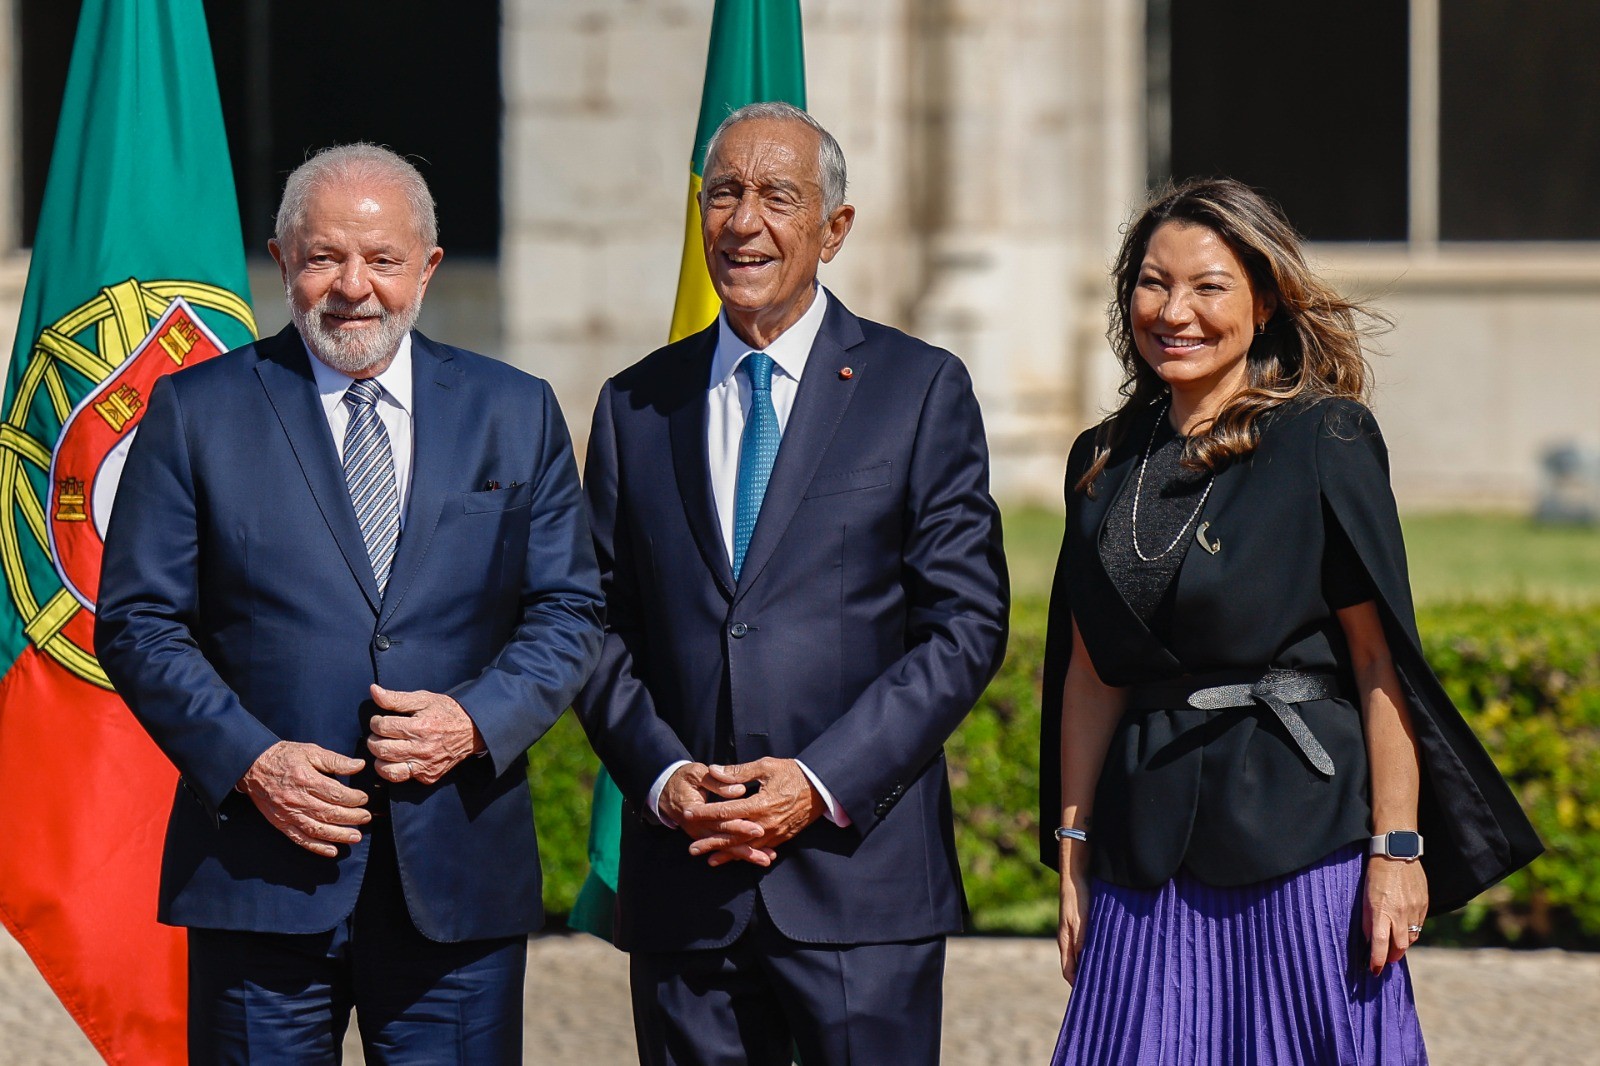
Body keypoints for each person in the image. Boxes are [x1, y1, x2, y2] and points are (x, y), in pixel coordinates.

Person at [95, 144, 604, 1064]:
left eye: (382, 260)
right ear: (282, 260)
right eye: (325, 257)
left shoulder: (513, 409)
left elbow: (569, 610)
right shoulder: (195, 411)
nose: (354, 288)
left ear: (429, 267)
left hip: (454, 874)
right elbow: (138, 621)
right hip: (260, 875)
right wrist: (251, 761)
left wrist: (473, 721)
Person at [1038, 177, 1542, 1064]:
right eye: (1153, 283)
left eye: (1209, 286)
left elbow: (1380, 664)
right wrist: (1073, 854)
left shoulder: (1324, 437)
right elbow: (1089, 673)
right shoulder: (1104, 460)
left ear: (1264, 300)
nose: (1175, 311)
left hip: (1304, 841)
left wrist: (1396, 850)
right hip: (1141, 843)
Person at [575, 101, 1009, 1065]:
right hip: (686, 884)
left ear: (834, 229)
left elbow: (966, 625)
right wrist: (663, 777)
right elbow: (592, 622)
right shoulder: (637, 403)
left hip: (858, 886)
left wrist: (818, 784)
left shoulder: (919, 388)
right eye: (723, 193)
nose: (744, 222)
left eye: (779, 196)